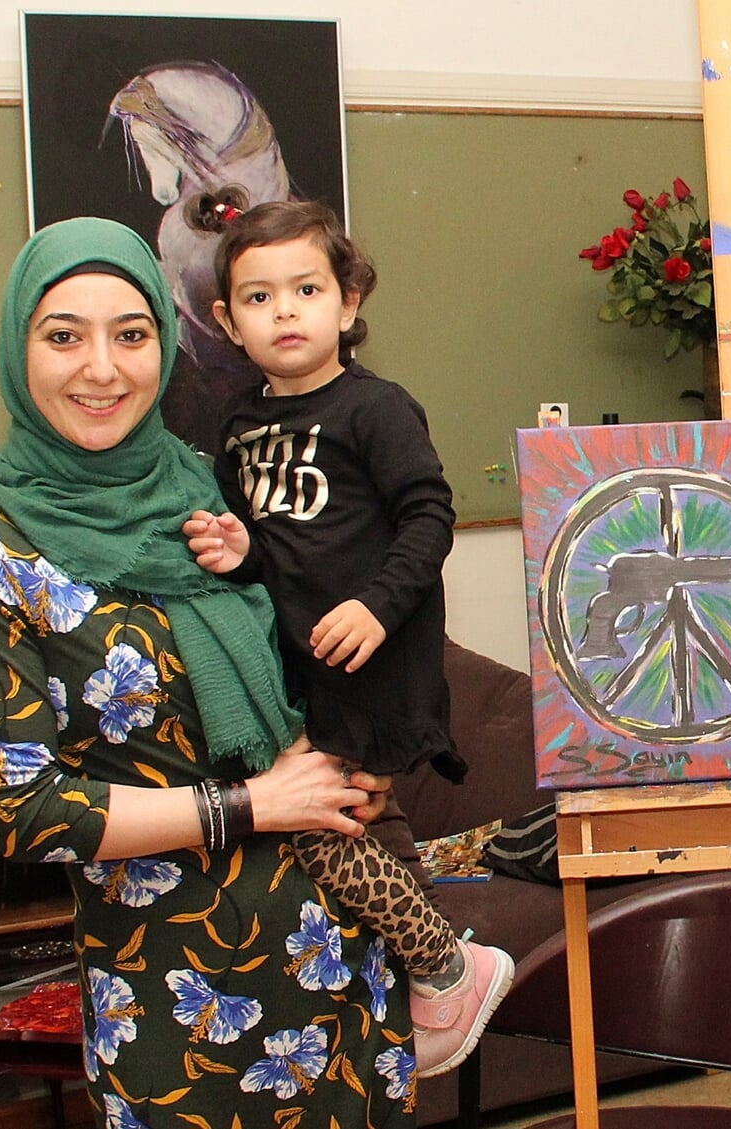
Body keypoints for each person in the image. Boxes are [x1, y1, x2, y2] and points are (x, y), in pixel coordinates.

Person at [0, 216, 420, 1126]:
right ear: (16, 349)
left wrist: (368, 748)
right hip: (177, 1004)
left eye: (132, 333)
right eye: (63, 335)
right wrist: (254, 804)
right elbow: (28, 814)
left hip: (340, 960)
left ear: (166, 340)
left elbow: (318, 627)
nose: (102, 368)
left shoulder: (208, 484)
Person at [181, 197, 512, 1079]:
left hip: (370, 664)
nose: (284, 310)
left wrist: (375, 603)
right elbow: (266, 547)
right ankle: (419, 978)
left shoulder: (375, 408)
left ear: (348, 301)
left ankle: (447, 962)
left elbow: (429, 514)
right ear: (226, 321)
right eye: (258, 297)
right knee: (355, 825)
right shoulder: (239, 424)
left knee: (326, 819)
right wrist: (237, 546)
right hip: (292, 670)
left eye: (305, 288)